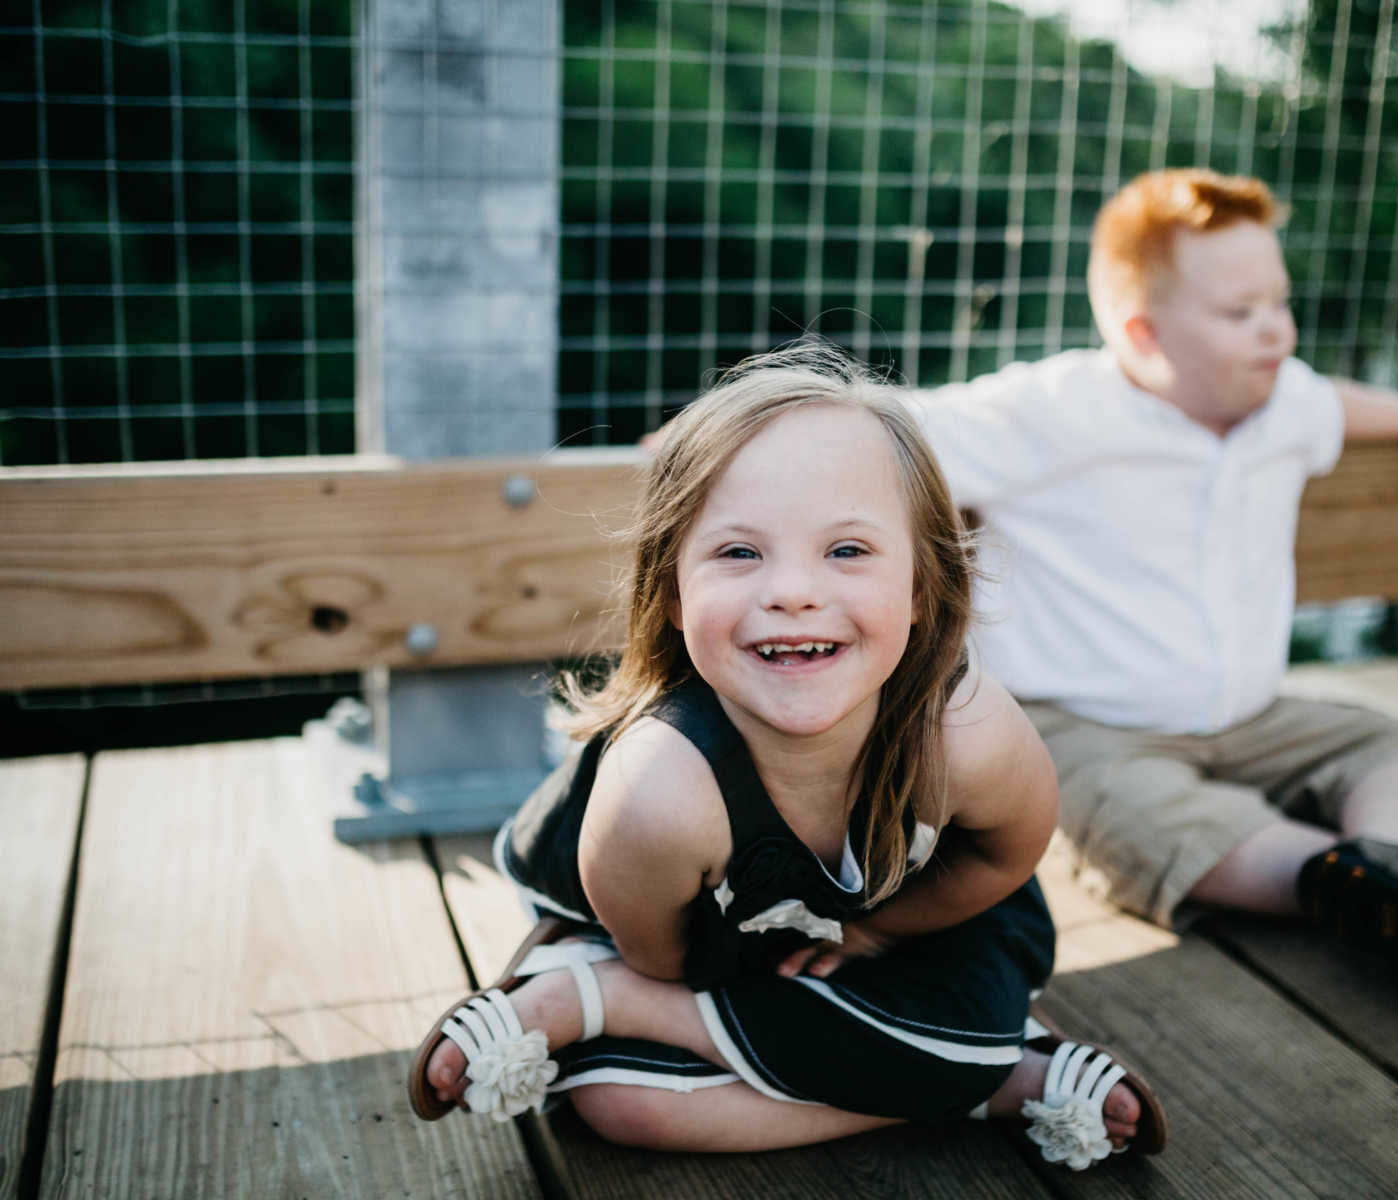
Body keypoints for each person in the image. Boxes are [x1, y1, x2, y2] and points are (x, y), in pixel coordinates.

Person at [407, 345, 1169, 1169]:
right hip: (694, 944)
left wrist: (874, 936)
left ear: (921, 586)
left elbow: (1005, 857)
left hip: (916, 910)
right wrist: (767, 995)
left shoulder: (966, 734)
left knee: (962, 1027)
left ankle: (592, 1004)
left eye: (847, 551)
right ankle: (990, 1078)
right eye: (739, 553)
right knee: (623, 1106)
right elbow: (663, 957)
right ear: (671, 592)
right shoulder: (660, 790)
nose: (793, 591)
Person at [905, 167, 1398, 1013]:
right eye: (1240, 314)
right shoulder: (1050, 411)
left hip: (1255, 719)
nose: (1275, 331)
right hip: (1081, 730)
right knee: (1143, 823)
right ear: (1145, 336)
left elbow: (1333, 404)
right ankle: (1351, 883)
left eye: (1279, 302)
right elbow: (898, 432)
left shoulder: (1282, 401)